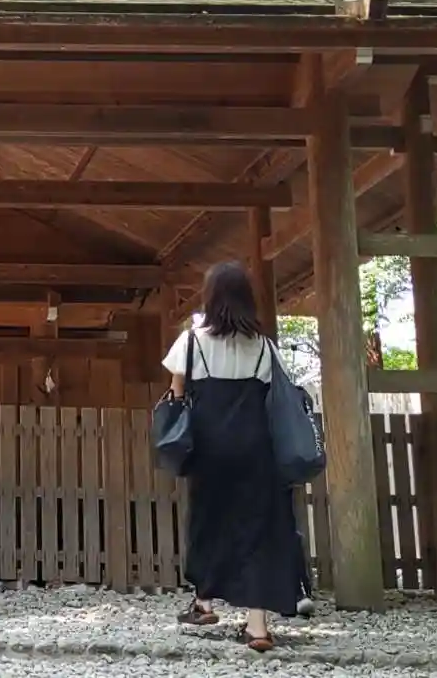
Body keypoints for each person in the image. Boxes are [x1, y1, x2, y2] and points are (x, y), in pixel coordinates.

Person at [166, 261, 303, 653]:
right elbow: (280, 395)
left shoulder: (191, 342)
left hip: (209, 450)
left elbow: (176, 393)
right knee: (256, 531)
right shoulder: (264, 346)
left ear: (210, 298)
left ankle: (204, 604)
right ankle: (258, 629)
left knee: (208, 523)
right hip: (257, 450)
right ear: (247, 298)